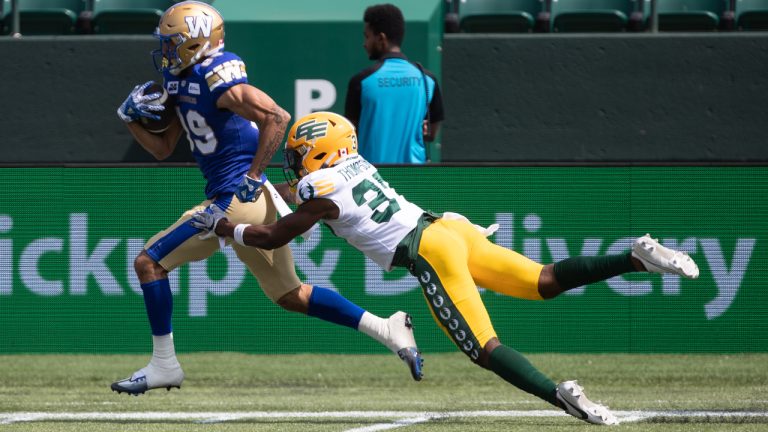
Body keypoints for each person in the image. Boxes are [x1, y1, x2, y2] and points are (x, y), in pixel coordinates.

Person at [191, 111, 701, 426]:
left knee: (484, 349)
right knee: (544, 281)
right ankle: (637, 257)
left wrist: (223, 227)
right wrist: (260, 191)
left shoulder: (318, 190)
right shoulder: (353, 166)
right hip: (448, 230)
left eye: (301, 155)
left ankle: (562, 396)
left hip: (429, 250)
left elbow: (272, 235)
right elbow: (300, 198)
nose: (296, 165)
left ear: (318, 154)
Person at [111, 1, 423, 396]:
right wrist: (130, 119)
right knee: (290, 294)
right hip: (246, 198)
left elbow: (276, 117)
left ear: (196, 44)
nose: (167, 51)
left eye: (174, 43)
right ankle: (388, 329)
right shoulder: (182, 80)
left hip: (235, 197)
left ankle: (164, 365)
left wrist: (253, 175)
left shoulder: (215, 73)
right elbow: (162, 148)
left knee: (148, 262)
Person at [344, 3, 444, 164]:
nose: (364, 43)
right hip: (417, 177)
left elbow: (349, 137)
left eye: (367, 36)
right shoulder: (428, 80)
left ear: (381, 38)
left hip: (373, 177)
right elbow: (431, 135)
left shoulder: (361, 81)